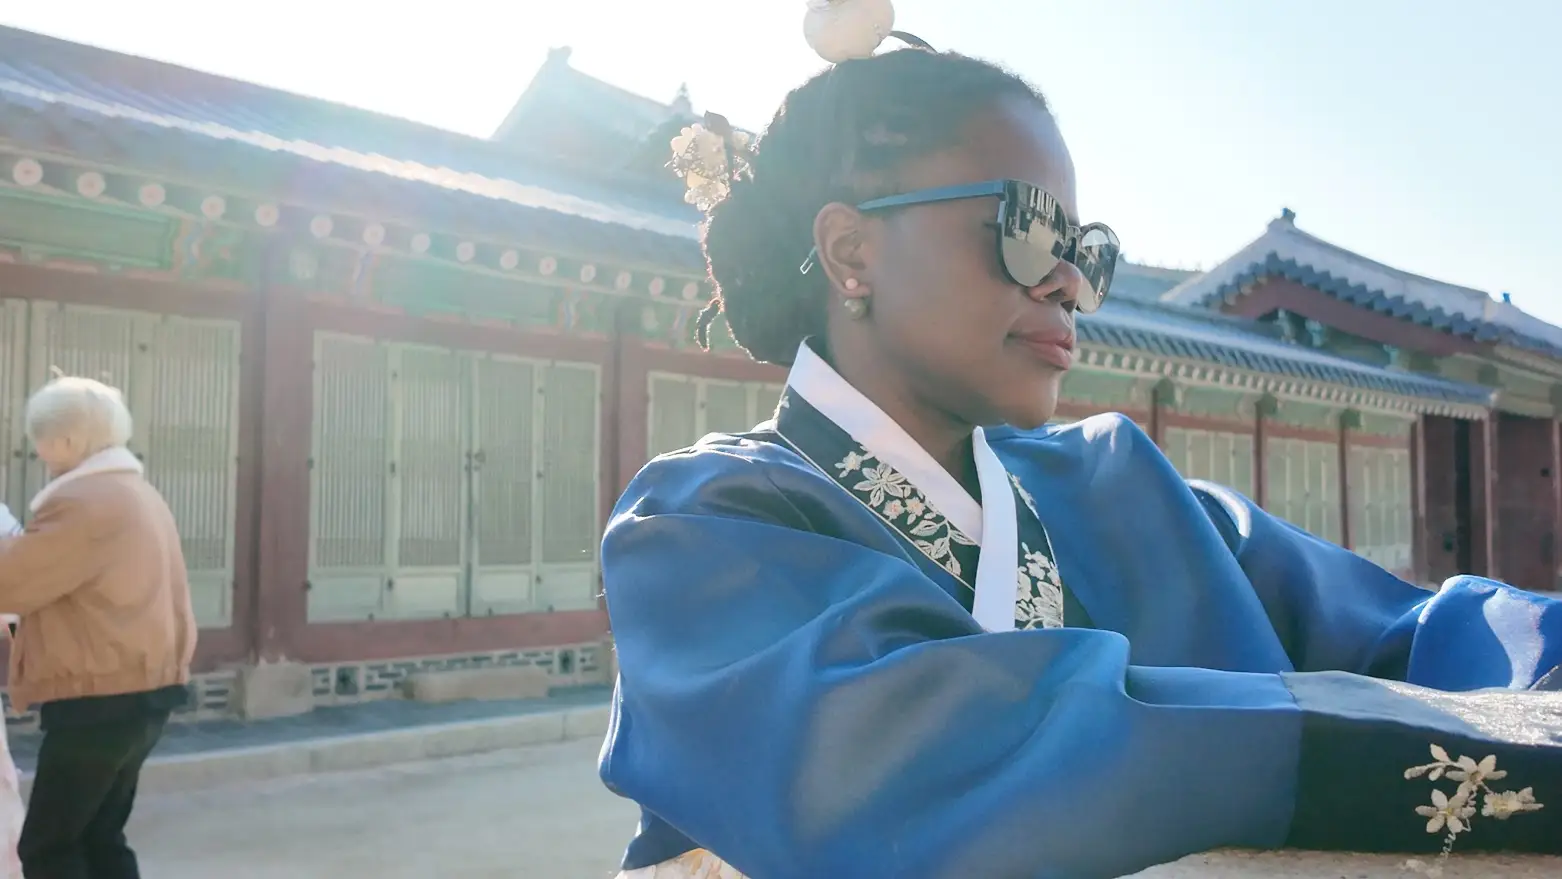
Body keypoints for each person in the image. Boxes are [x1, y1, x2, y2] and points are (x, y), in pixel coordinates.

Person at [597, 5, 1562, 878]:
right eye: (1026, 227)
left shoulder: (1123, 484)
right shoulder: (701, 531)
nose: (1065, 280)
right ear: (854, 251)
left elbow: (1419, 634)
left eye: (1084, 248)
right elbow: (947, 762)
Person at [0, 376, 196, 879]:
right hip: (144, 692)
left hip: (99, 698)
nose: (38, 452)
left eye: (40, 439)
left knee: (48, 846)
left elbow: (10, 583)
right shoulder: (138, 494)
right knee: (99, 836)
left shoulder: (85, 503)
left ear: (66, 441)